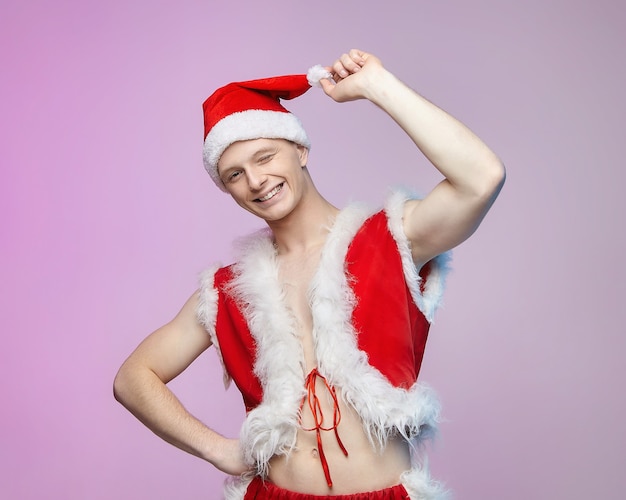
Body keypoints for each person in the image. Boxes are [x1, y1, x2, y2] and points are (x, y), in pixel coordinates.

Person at [114, 48, 505, 500]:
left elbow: (482, 177)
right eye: (235, 174)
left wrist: (379, 87)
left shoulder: (389, 239)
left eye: (265, 157)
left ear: (300, 150)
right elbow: (133, 378)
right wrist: (217, 449)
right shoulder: (228, 289)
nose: (256, 180)